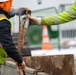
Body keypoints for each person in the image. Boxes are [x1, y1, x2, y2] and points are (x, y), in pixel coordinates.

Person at [0, 0, 31, 72]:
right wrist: (19, 60)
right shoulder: (3, 22)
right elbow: (8, 46)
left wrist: (15, 11)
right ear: (6, 4)